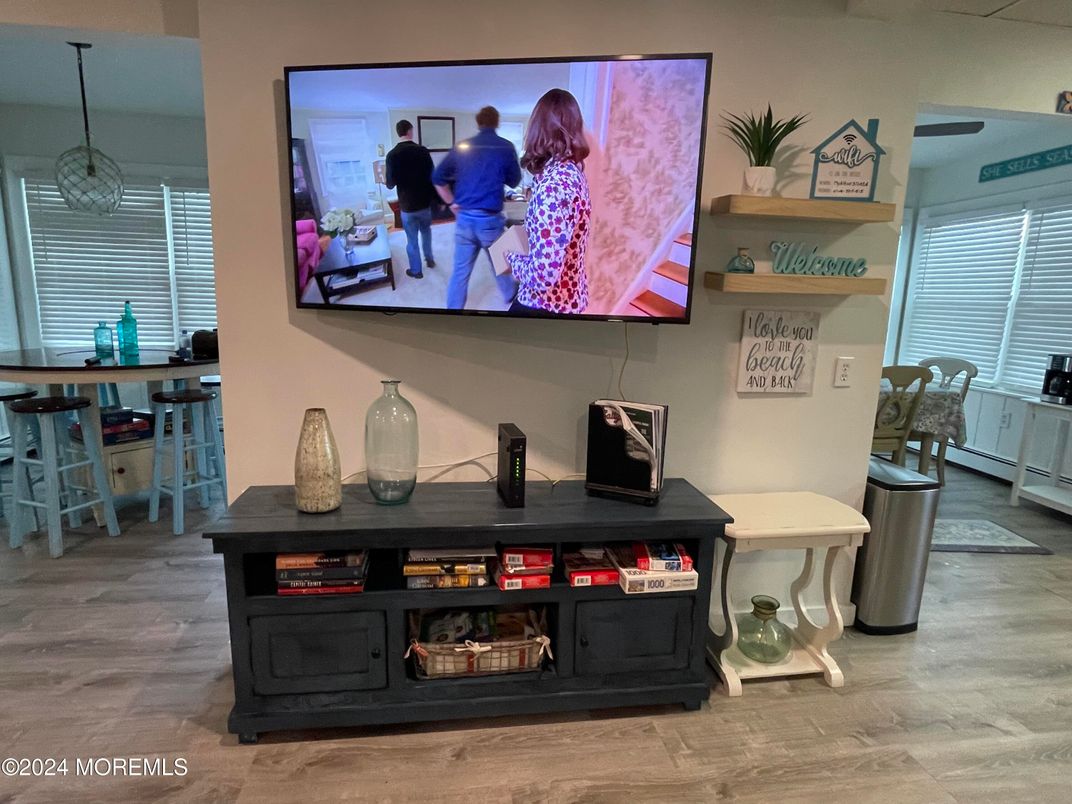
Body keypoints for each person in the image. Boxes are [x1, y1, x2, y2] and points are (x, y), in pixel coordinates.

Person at [505, 89, 591, 315]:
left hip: (545, 305)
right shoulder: (573, 172)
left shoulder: (552, 188)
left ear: (537, 129)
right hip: (571, 298)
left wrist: (511, 257)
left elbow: (542, 276)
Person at [433, 106, 521, 309]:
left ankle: (453, 309)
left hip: (464, 218)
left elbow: (437, 178)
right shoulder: (505, 146)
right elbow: (515, 181)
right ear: (496, 123)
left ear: (478, 123)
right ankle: (509, 294)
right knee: (500, 263)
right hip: (490, 221)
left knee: (460, 271)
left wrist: (451, 203)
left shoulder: (463, 146)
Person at [385, 119, 436, 278]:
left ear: (398, 133)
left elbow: (390, 184)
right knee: (426, 233)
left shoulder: (392, 155)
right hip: (424, 203)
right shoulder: (423, 151)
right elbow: (433, 177)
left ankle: (416, 270)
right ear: (410, 131)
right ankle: (430, 259)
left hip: (407, 206)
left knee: (411, 239)